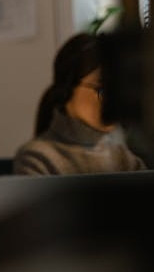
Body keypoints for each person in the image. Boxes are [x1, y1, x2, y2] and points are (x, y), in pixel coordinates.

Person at [13, 32, 147, 175]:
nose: (113, 101)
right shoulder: (37, 158)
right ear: (67, 89)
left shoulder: (126, 159)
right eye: (101, 89)